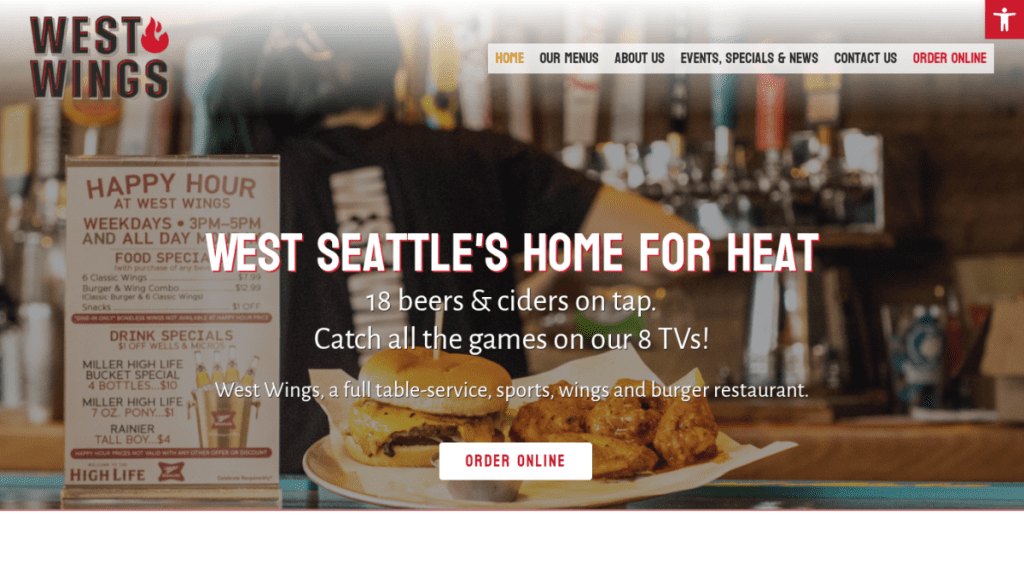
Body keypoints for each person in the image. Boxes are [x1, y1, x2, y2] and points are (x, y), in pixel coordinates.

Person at [207, 12, 702, 473]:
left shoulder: (236, 186)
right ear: (390, 67)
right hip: (482, 488)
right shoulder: (480, 157)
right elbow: (676, 249)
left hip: (304, 489)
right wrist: (555, 277)